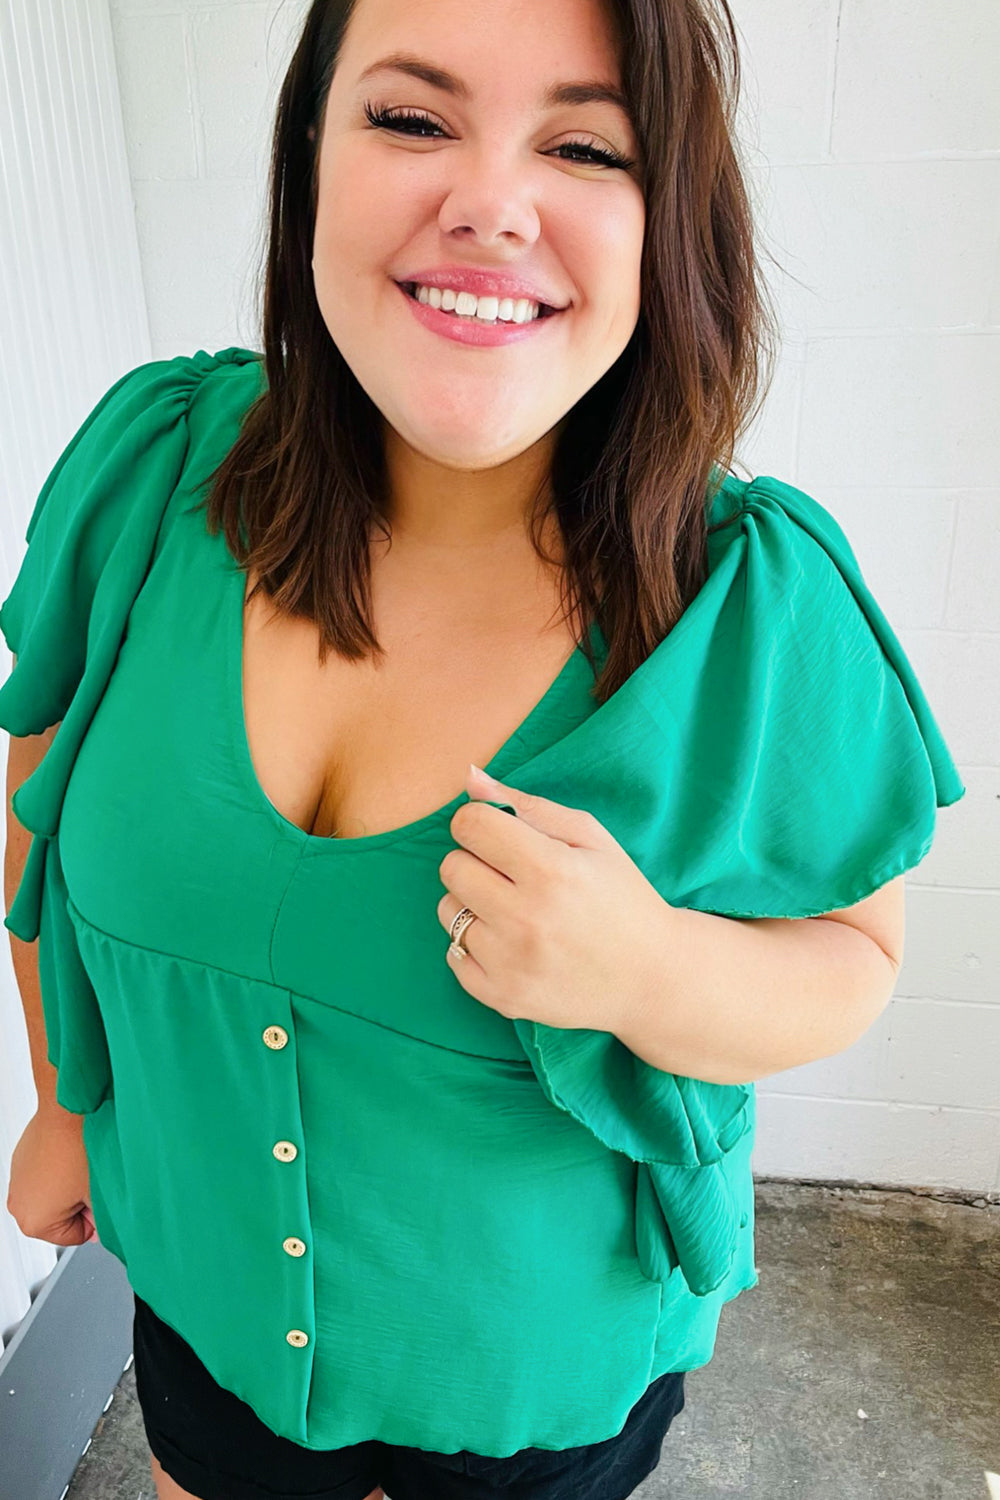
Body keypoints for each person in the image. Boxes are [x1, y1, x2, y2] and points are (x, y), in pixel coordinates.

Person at [1, 0, 964, 1496]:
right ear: (310, 151)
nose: (491, 205)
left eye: (584, 146)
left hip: (541, 1388)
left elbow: (853, 953)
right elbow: (44, 790)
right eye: (411, 118)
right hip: (200, 1307)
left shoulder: (744, 602)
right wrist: (66, 1094)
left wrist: (644, 969)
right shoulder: (154, 468)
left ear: (668, 218)